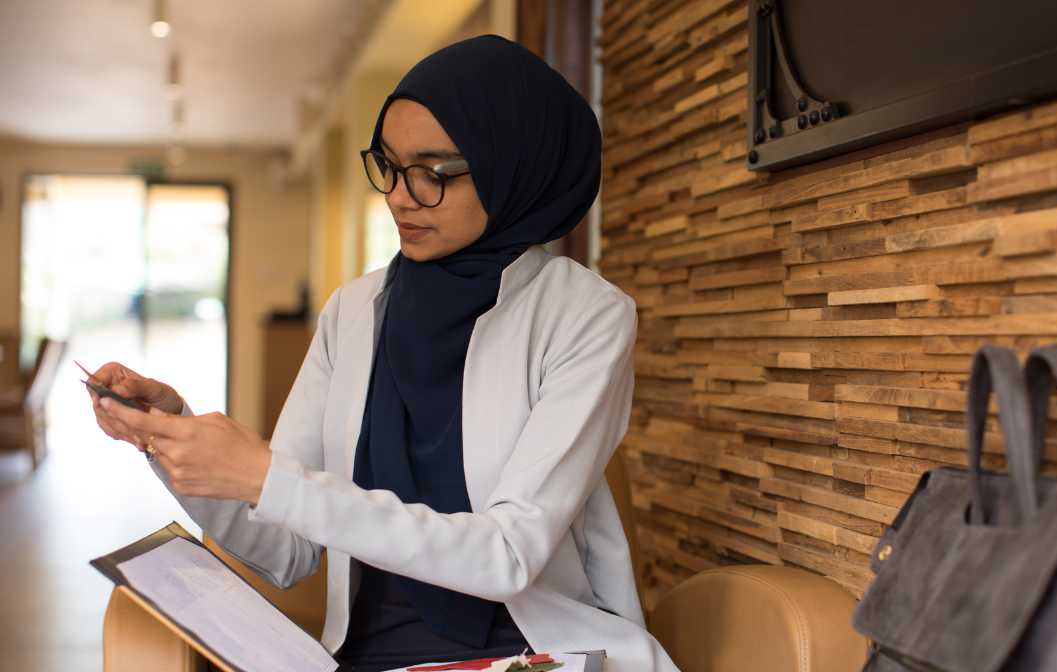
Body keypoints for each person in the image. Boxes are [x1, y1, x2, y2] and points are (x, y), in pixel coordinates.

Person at [89, 36, 678, 672]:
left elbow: (508, 556)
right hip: (366, 658)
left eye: (434, 172)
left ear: (511, 165)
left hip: (533, 656)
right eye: (390, 166)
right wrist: (171, 437)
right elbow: (286, 549)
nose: (399, 196)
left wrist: (266, 476)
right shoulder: (353, 311)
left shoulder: (585, 315)